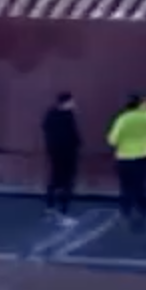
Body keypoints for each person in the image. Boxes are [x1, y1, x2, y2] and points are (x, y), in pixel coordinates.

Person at [106, 93, 146, 231]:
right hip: (143, 156)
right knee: (141, 185)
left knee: (126, 187)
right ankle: (142, 212)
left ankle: (125, 212)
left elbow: (112, 140)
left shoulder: (122, 119)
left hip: (124, 158)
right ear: (139, 104)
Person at [41, 92, 82, 225]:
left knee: (54, 181)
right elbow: (73, 135)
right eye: (72, 101)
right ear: (66, 102)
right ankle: (62, 214)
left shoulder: (50, 114)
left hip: (54, 153)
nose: (74, 104)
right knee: (66, 183)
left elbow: (45, 129)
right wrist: (77, 143)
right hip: (67, 154)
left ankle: (49, 210)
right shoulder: (67, 116)